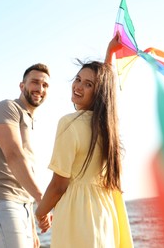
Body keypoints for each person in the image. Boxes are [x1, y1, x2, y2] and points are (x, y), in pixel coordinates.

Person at [35, 33, 134, 248]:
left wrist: (40, 212)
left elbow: (59, 185)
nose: (78, 86)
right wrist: (110, 53)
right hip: (106, 213)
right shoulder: (109, 127)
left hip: (78, 215)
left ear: (98, 92)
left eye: (88, 84)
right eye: (78, 79)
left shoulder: (69, 123)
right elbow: (109, 91)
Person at [0, 63, 52, 248]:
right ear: (22, 86)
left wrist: (32, 226)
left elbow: (24, 172)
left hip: (21, 205)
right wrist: (43, 201)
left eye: (45, 85)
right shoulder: (7, 108)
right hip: (0, 199)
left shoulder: (29, 120)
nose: (40, 89)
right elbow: (14, 155)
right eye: (35, 82)